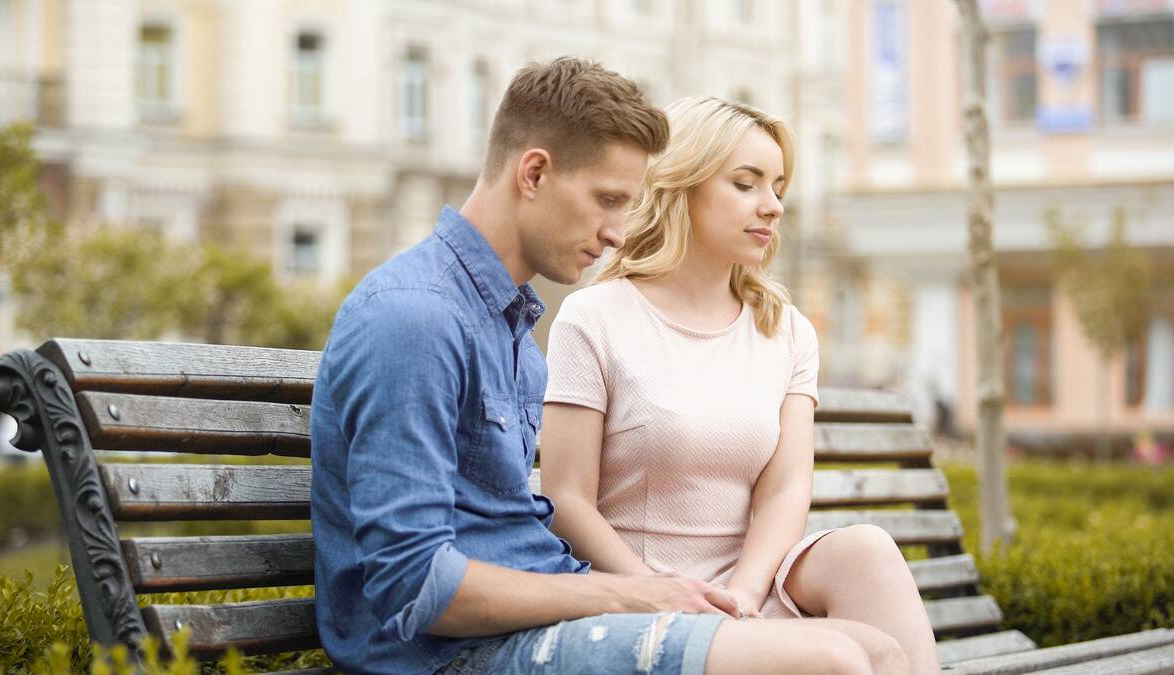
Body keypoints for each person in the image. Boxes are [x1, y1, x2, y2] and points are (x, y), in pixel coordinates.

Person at [312, 58, 905, 675]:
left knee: (880, 651)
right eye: (608, 200)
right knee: (833, 661)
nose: (620, 233)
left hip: (535, 624)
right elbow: (413, 583)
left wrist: (635, 598)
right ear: (535, 173)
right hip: (455, 656)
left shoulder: (505, 320)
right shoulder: (414, 318)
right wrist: (629, 593)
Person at [541, 96, 940, 674]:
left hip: (747, 593)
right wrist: (659, 591)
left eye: (778, 187)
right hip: (637, 596)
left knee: (867, 551)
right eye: (746, 184)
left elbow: (784, 491)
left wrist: (746, 600)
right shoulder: (594, 317)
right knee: (860, 660)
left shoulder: (787, 330)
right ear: (684, 186)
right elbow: (567, 500)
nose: (772, 206)